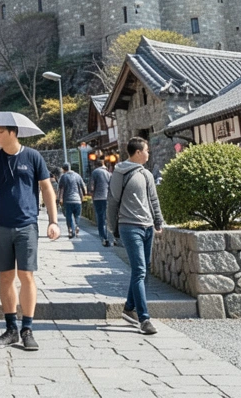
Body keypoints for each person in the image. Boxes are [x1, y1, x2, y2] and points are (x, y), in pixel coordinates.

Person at [0, 124, 59, 351]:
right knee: (5, 277)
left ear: (12, 133)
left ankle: (27, 329)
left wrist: (53, 221)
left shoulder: (33, 156)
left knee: (26, 275)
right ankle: (11, 329)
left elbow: (46, 189)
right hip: (1, 226)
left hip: (27, 225)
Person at [108, 137, 164, 336]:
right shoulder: (119, 172)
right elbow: (113, 201)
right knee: (139, 270)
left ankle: (129, 308)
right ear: (138, 152)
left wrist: (158, 221)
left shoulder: (147, 174)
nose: (148, 153)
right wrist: (112, 228)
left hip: (148, 226)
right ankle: (144, 318)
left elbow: (153, 199)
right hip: (129, 226)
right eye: (146, 150)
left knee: (144, 269)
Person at [56, 164, 87, 238]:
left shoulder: (63, 177)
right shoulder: (77, 176)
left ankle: (70, 230)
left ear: (63, 169)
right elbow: (83, 187)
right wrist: (84, 195)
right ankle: (76, 226)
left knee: (68, 216)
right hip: (77, 200)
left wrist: (59, 199)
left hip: (68, 200)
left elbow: (61, 189)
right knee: (77, 215)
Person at [91, 158, 113, 246]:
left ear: (96, 165)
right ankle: (110, 237)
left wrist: (92, 195)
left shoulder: (95, 172)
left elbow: (92, 186)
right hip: (107, 197)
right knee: (108, 218)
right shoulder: (109, 174)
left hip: (98, 197)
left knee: (100, 217)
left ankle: (103, 236)